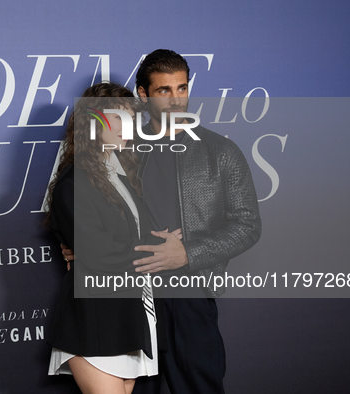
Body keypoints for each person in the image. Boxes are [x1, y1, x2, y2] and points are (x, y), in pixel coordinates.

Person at [63, 50, 262, 394]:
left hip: (189, 294)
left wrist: (187, 253)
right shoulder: (122, 146)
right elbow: (88, 199)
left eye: (181, 88)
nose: (175, 99)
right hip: (131, 294)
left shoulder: (220, 152)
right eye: (164, 91)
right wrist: (75, 242)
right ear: (143, 94)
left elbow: (247, 225)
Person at [45, 82, 165, 394]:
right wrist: (154, 250)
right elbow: (97, 252)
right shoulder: (73, 183)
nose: (128, 127)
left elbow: (148, 234)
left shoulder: (122, 176)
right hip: (94, 319)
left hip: (129, 316)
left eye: (130, 118)